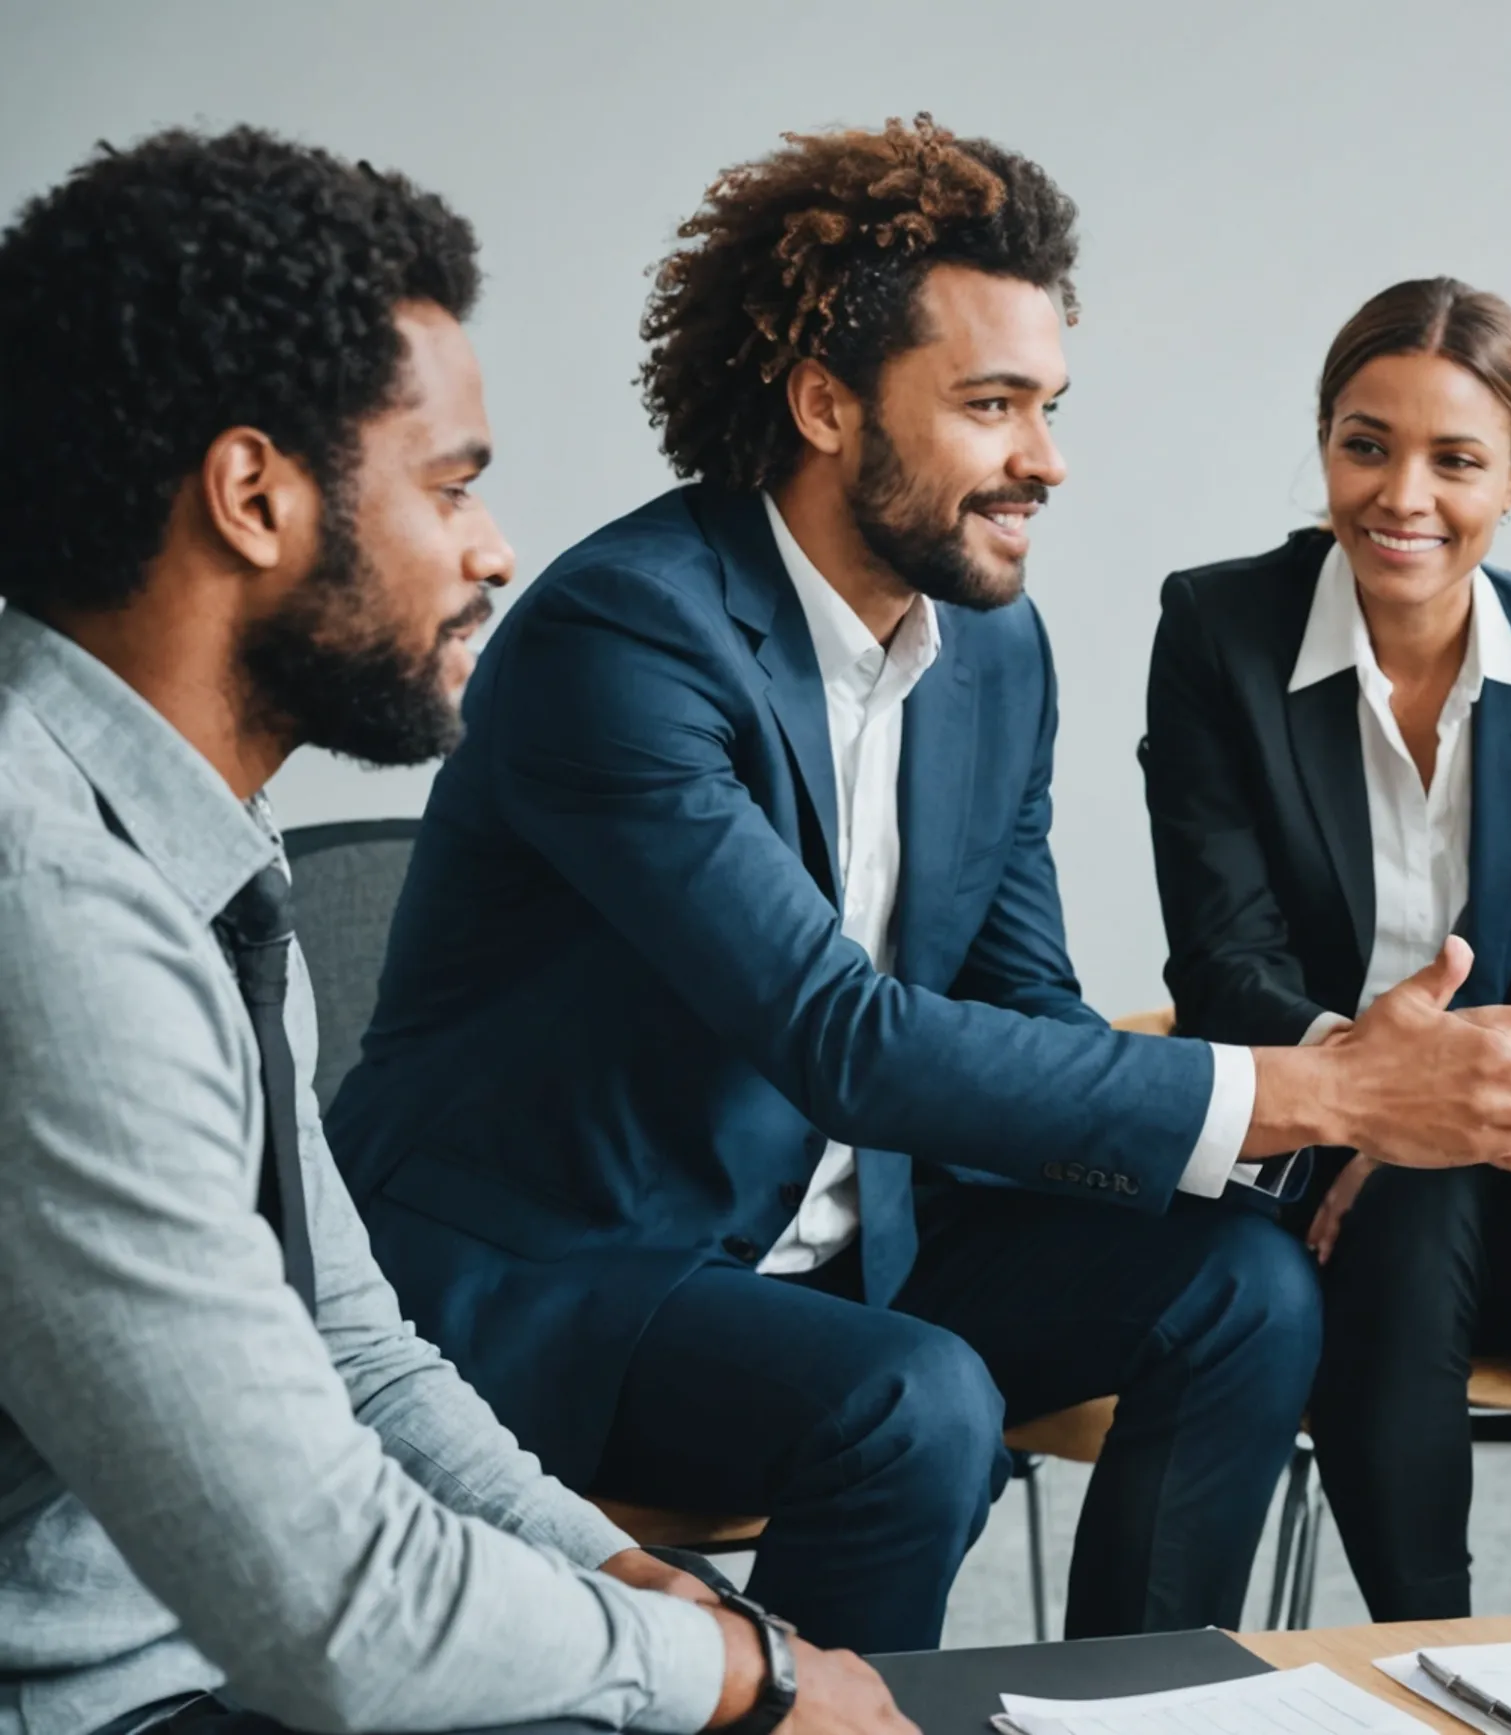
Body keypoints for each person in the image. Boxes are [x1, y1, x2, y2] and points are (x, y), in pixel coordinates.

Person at [325, 119, 1511, 1653]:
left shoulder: (991, 647)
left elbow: (1026, 1007)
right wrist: (1334, 1099)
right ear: (824, 404)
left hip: (854, 1250)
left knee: (1244, 1287)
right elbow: (841, 1033)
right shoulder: (632, 637)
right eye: (992, 407)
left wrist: (1344, 1108)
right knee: (911, 1398)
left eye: (1048, 406)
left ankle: (1131, 1701)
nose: (1046, 460)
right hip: (558, 1277)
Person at [0, 127, 902, 1735]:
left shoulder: (181, 842)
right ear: (254, 497)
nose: (492, 550)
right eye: (452, 485)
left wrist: (635, 1582)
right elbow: (337, 1609)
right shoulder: (46, 898)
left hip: (209, 1661)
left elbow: (351, 1342)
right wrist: (747, 1681)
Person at [1143, 278, 1511, 1619]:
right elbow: (1225, 964)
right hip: (1309, 1149)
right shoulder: (1217, 632)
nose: (1402, 495)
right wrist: (1377, 1108)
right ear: (1325, 444)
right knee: (1411, 1198)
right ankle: (1437, 1647)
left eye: (1455, 459)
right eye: (1367, 444)